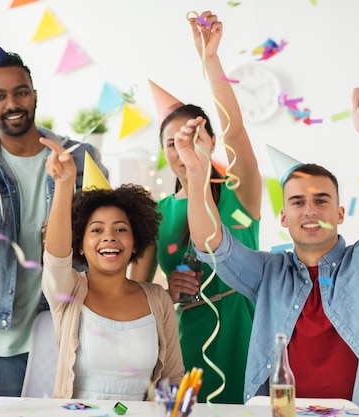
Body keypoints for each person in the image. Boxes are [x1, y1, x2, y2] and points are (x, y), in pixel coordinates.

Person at [178, 68, 359, 416]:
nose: (310, 210)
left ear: (338, 213)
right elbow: (212, 244)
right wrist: (197, 173)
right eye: (297, 202)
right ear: (283, 218)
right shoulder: (268, 273)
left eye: (321, 200)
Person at [0, 23, 108, 396]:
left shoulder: (79, 157)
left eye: (20, 93)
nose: (12, 104)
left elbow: (105, 234)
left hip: (68, 325)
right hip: (1, 333)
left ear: (35, 96)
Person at [131, 11, 260, 404]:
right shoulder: (156, 213)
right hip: (183, 343)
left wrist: (210, 61)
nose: (181, 147)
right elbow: (135, 291)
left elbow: (236, 129)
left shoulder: (241, 193)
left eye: (192, 135)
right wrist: (166, 293)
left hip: (244, 333)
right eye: (171, 142)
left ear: (211, 141)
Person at [39, 136, 184, 400]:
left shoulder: (159, 300)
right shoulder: (68, 291)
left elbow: (173, 378)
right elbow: (56, 257)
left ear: (135, 242)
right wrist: (64, 183)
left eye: (121, 229)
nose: (109, 237)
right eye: (96, 230)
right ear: (80, 245)